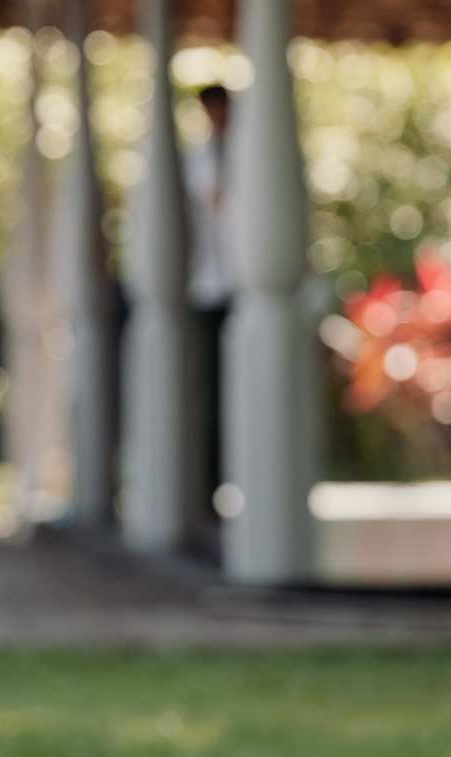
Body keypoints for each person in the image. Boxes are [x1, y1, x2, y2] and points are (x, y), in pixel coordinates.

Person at [185, 84, 234, 497]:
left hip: (239, 285)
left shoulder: (247, 157)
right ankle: (206, 483)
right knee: (208, 390)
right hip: (206, 287)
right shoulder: (194, 160)